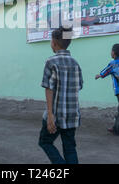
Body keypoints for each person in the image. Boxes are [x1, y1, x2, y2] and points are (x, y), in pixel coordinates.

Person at [38, 26, 83, 164]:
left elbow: (48, 88)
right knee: (69, 148)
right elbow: (80, 85)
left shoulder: (51, 62)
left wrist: (50, 115)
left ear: (54, 42)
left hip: (55, 114)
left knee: (45, 142)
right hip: (71, 114)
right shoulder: (75, 63)